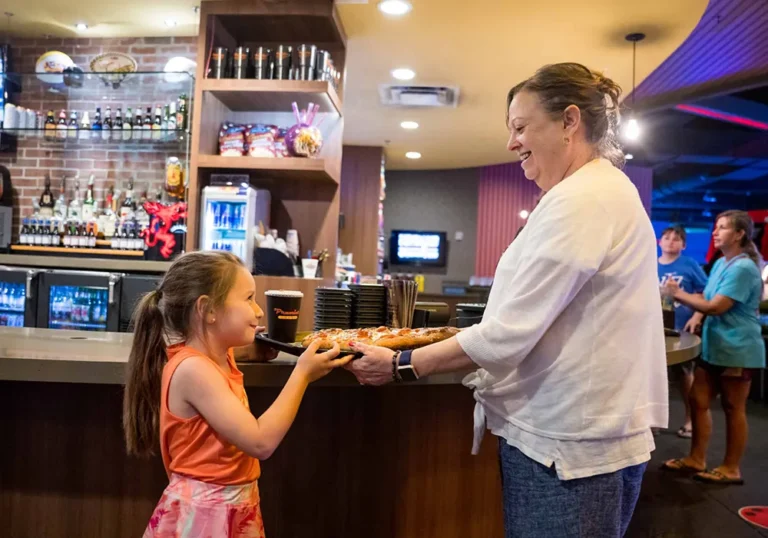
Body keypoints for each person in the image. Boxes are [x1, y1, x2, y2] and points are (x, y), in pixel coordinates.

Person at [347, 63, 668, 537]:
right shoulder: (601, 190)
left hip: (567, 449)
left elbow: (509, 333)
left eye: (520, 127)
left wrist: (402, 364)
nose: (511, 143)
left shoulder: (582, 199)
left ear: (569, 121)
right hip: (582, 440)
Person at [123, 251, 350, 537]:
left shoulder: (216, 355)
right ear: (208, 310)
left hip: (234, 505)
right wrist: (302, 374)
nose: (258, 310)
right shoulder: (193, 370)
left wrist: (257, 350)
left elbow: (228, 352)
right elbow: (260, 442)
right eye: (248, 298)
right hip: (204, 516)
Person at [661, 210, 765, 485]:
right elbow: (705, 297)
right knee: (698, 400)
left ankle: (731, 468)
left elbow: (717, 306)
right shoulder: (721, 263)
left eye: (722, 228)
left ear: (740, 234)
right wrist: (694, 310)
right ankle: (696, 458)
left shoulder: (743, 267)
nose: (715, 233)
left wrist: (677, 294)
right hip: (714, 346)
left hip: (738, 348)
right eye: (715, 227)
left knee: (733, 407)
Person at [658, 224, 708, 438]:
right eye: (667, 237)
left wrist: (697, 315)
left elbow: (705, 292)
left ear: (684, 245)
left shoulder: (690, 265)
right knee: (655, 377)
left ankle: (690, 420)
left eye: (676, 239)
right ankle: (654, 421)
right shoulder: (650, 264)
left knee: (684, 376)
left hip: (681, 329)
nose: (670, 241)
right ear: (659, 242)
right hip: (655, 329)